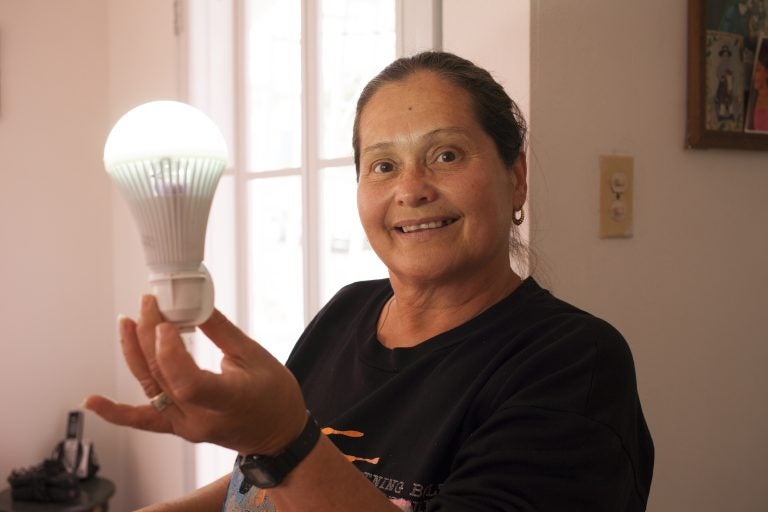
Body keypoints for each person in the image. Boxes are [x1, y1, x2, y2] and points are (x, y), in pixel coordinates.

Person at [85, 51, 654, 511]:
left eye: (447, 154)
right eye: (383, 165)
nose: (411, 189)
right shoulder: (349, 311)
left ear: (517, 177)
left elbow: (289, 456)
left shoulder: (573, 363)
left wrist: (282, 440)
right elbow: (259, 485)